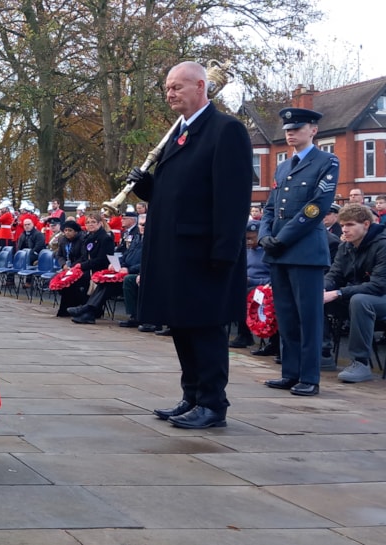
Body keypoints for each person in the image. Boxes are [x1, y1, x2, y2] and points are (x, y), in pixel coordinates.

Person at [125, 61, 253, 429]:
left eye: (176, 87)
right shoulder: (176, 134)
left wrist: (224, 252)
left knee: (206, 327)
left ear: (201, 86)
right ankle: (192, 395)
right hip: (173, 251)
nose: (169, 94)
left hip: (204, 252)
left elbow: (231, 199)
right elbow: (175, 194)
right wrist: (147, 187)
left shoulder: (225, 131)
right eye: (167, 88)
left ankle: (213, 404)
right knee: (181, 324)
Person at [260, 107, 339, 397]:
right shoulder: (283, 166)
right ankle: (290, 372)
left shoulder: (327, 161)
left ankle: (309, 376)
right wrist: (266, 235)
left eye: (297, 127)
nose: (291, 132)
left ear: (313, 130)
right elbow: (270, 207)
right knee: (286, 315)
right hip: (279, 251)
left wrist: (282, 237)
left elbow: (317, 206)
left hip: (304, 250)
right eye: (288, 129)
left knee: (308, 317)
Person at [322, 203, 386, 383]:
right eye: (342, 225)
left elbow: (378, 286)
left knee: (359, 301)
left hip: (380, 297)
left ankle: (360, 362)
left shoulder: (382, 245)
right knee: (318, 298)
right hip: (358, 295)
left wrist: (339, 293)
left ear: (366, 224)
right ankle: (322, 353)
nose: (344, 229)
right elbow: (334, 274)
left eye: (350, 225)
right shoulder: (346, 246)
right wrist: (324, 288)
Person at [71, 213, 144, 324]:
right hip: (123, 269)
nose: (141, 227)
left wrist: (129, 269)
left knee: (108, 282)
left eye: (144, 225)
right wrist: (117, 263)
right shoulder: (137, 238)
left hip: (135, 272)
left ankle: (87, 310)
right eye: (140, 224)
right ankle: (89, 312)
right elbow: (126, 254)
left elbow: (147, 262)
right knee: (105, 282)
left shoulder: (150, 241)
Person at [56, 212, 114, 317]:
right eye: (88, 222)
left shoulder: (105, 238)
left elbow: (102, 260)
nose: (90, 224)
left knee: (74, 280)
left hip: (99, 270)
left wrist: (81, 266)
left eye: (93, 222)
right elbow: (84, 256)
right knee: (68, 278)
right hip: (88, 267)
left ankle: (85, 308)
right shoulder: (88, 237)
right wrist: (75, 267)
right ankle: (67, 309)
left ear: (100, 223)